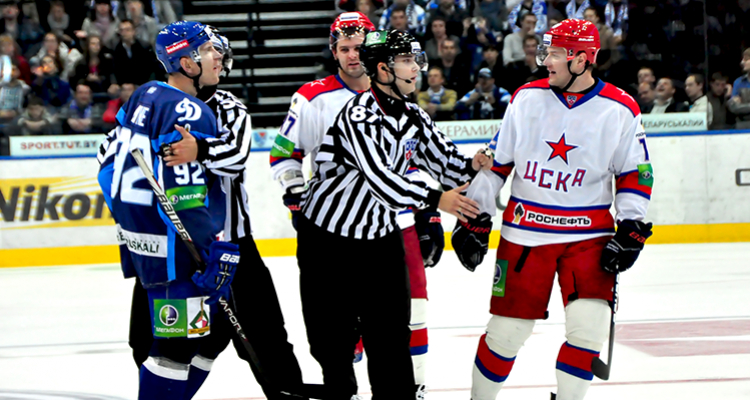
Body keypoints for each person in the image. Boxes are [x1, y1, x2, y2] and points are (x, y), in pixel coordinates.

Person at [453, 19, 653, 400]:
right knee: (506, 334)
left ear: (582, 59)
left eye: (555, 54)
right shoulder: (526, 98)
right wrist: (474, 215)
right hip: (525, 233)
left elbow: (636, 173)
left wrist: (631, 227)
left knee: (588, 330)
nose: (545, 61)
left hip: (588, 237)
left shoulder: (620, 109)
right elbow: (497, 163)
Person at [293, 28, 490, 400]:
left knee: (391, 343)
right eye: (406, 61)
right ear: (382, 69)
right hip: (327, 242)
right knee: (334, 350)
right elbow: (384, 181)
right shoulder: (359, 116)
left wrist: (478, 165)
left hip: (379, 240)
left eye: (416, 60)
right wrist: (439, 200)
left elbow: (450, 166)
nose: (415, 68)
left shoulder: (414, 116)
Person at [270, 14, 448, 397]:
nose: (353, 55)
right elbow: (283, 154)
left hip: (388, 226)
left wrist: (428, 213)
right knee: (331, 332)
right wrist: (295, 195)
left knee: (398, 323)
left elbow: (413, 158)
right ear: (334, 52)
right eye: (345, 48)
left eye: (359, 47)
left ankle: (405, 387)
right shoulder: (312, 97)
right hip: (330, 231)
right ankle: (342, 385)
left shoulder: (398, 92)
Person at [127, 26, 308, 400]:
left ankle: (288, 393)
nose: (219, 62)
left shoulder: (229, 107)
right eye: (212, 53)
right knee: (147, 342)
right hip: (171, 247)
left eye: (219, 54)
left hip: (230, 245)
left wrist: (200, 150)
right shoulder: (156, 103)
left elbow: (235, 158)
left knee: (267, 340)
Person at [96, 20, 239, 399]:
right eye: (210, 51)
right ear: (188, 63)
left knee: (209, 336)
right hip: (178, 254)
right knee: (175, 351)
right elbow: (186, 198)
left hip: (143, 244)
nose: (218, 58)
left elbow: (106, 165)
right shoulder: (193, 113)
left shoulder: (144, 95)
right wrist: (210, 253)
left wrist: (130, 221)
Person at [728, 48, 750, 129]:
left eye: (746, 59)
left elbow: (739, 107)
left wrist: (743, 105)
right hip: (742, 127)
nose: (742, 62)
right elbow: (733, 108)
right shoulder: (738, 82)